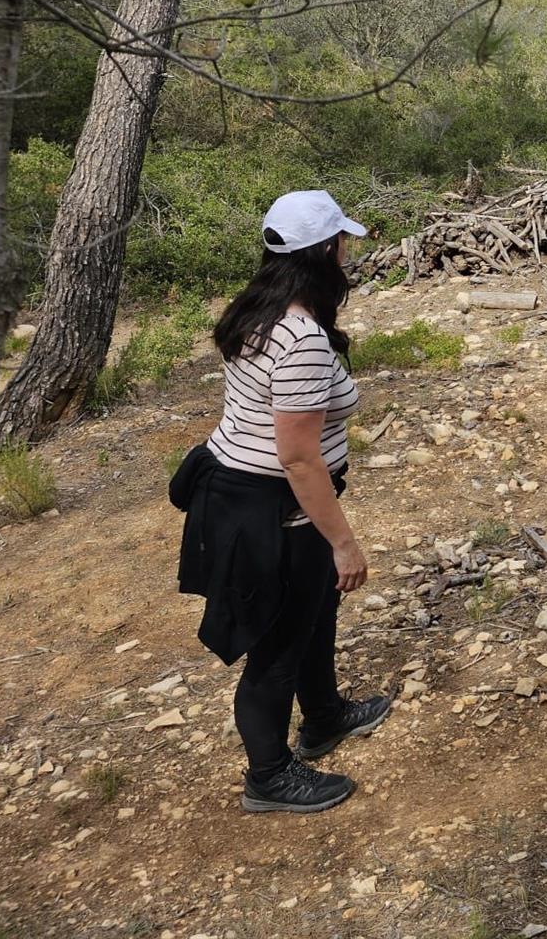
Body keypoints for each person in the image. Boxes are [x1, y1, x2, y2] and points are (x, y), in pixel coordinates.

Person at [171, 190, 391, 814]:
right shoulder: (300, 340)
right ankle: (268, 775)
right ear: (324, 250)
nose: (347, 249)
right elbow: (298, 458)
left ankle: (324, 716)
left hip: (252, 491)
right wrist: (343, 540)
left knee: (316, 613)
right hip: (274, 508)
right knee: (277, 646)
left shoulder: (258, 311)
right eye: (341, 240)